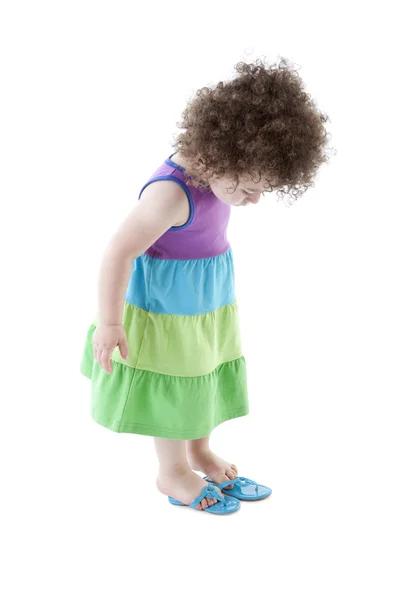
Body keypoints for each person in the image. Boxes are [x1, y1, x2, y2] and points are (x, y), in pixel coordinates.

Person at [80, 58, 332, 514]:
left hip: (206, 298)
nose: (255, 200)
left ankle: (198, 451)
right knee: (177, 383)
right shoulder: (170, 195)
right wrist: (111, 323)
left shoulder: (219, 172)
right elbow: (118, 253)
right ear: (223, 156)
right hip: (166, 308)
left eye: (264, 191)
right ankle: (171, 470)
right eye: (251, 188)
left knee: (203, 374)